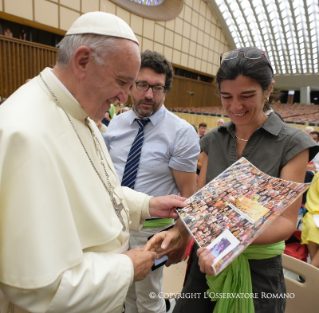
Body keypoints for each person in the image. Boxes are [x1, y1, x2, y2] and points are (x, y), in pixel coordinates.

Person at [0, 12, 187, 313]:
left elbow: (95, 189)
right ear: (83, 61)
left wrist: (147, 206)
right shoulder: (25, 134)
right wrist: (125, 269)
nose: (125, 98)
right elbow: (37, 287)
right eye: (123, 81)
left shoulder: (79, 111)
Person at [146, 47, 319, 313]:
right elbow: (199, 205)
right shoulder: (214, 140)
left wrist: (225, 246)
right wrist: (176, 233)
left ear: (268, 89)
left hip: (257, 273)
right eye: (226, 97)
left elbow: (285, 221)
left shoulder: (292, 143)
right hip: (205, 264)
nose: (235, 107)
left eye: (247, 96)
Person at [105, 50, 199, 313]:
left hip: (152, 230)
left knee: (147, 299)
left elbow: (188, 194)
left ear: (166, 90)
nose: (149, 94)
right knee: (121, 295)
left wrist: (180, 238)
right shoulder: (116, 125)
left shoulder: (181, 133)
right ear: (131, 85)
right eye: (143, 85)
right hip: (113, 224)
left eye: (157, 88)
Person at [301, 171, 319, 268]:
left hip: (314, 216)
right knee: (312, 227)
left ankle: (311, 270)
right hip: (315, 213)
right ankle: (312, 270)